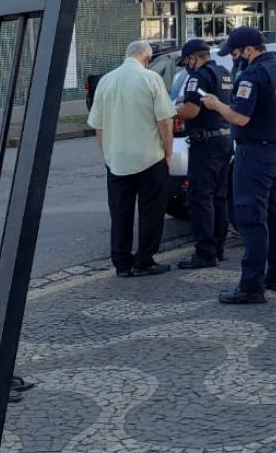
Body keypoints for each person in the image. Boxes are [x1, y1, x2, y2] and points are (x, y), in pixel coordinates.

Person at [199, 26, 276, 304]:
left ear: (250, 50)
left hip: (254, 154)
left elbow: (240, 117)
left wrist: (216, 103)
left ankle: (251, 287)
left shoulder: (254, 74)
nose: (235, 58)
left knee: (251, 218)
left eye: (237, 53)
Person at [86, 39, 176, 278]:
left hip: (117, 159)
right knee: (151, 211)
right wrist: (168, 153)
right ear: (146, 58)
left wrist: (107, 154)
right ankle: (144, 260)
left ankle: (122, 263)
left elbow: (98, 126)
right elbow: (165, 121)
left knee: (120, 212)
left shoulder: (105, 81)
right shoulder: (151, 79)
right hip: (149, 157)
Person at [174, 38, 233, 269]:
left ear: (194, 58)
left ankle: (205, 253)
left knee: (200, 198)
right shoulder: (223, 72)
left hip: (205, 144)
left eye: (187, 61)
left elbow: (189, 111)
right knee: (219, 196)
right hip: (224, 139)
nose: (187, 65)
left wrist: (169, 112)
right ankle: (218, 248)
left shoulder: (198, 76)